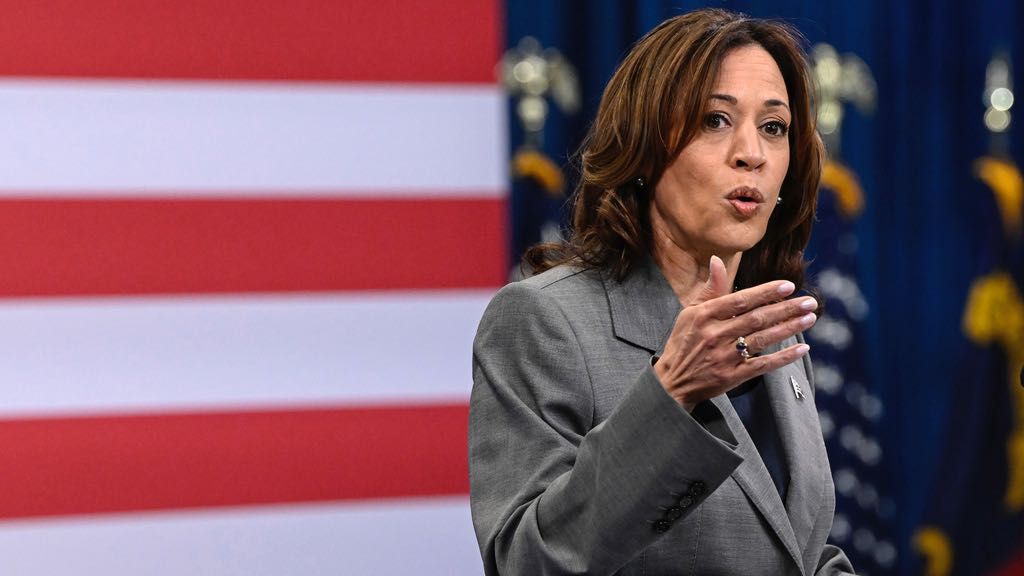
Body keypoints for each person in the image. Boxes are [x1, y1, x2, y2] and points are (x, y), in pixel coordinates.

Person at [469, 8, 855, 576]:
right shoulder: (543, 321)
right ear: (645, 149)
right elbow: (524, 563)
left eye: (774, 127)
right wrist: (670, 394)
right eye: (714, 121)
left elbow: (793, 549)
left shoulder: (770, 327)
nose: (752, 152)